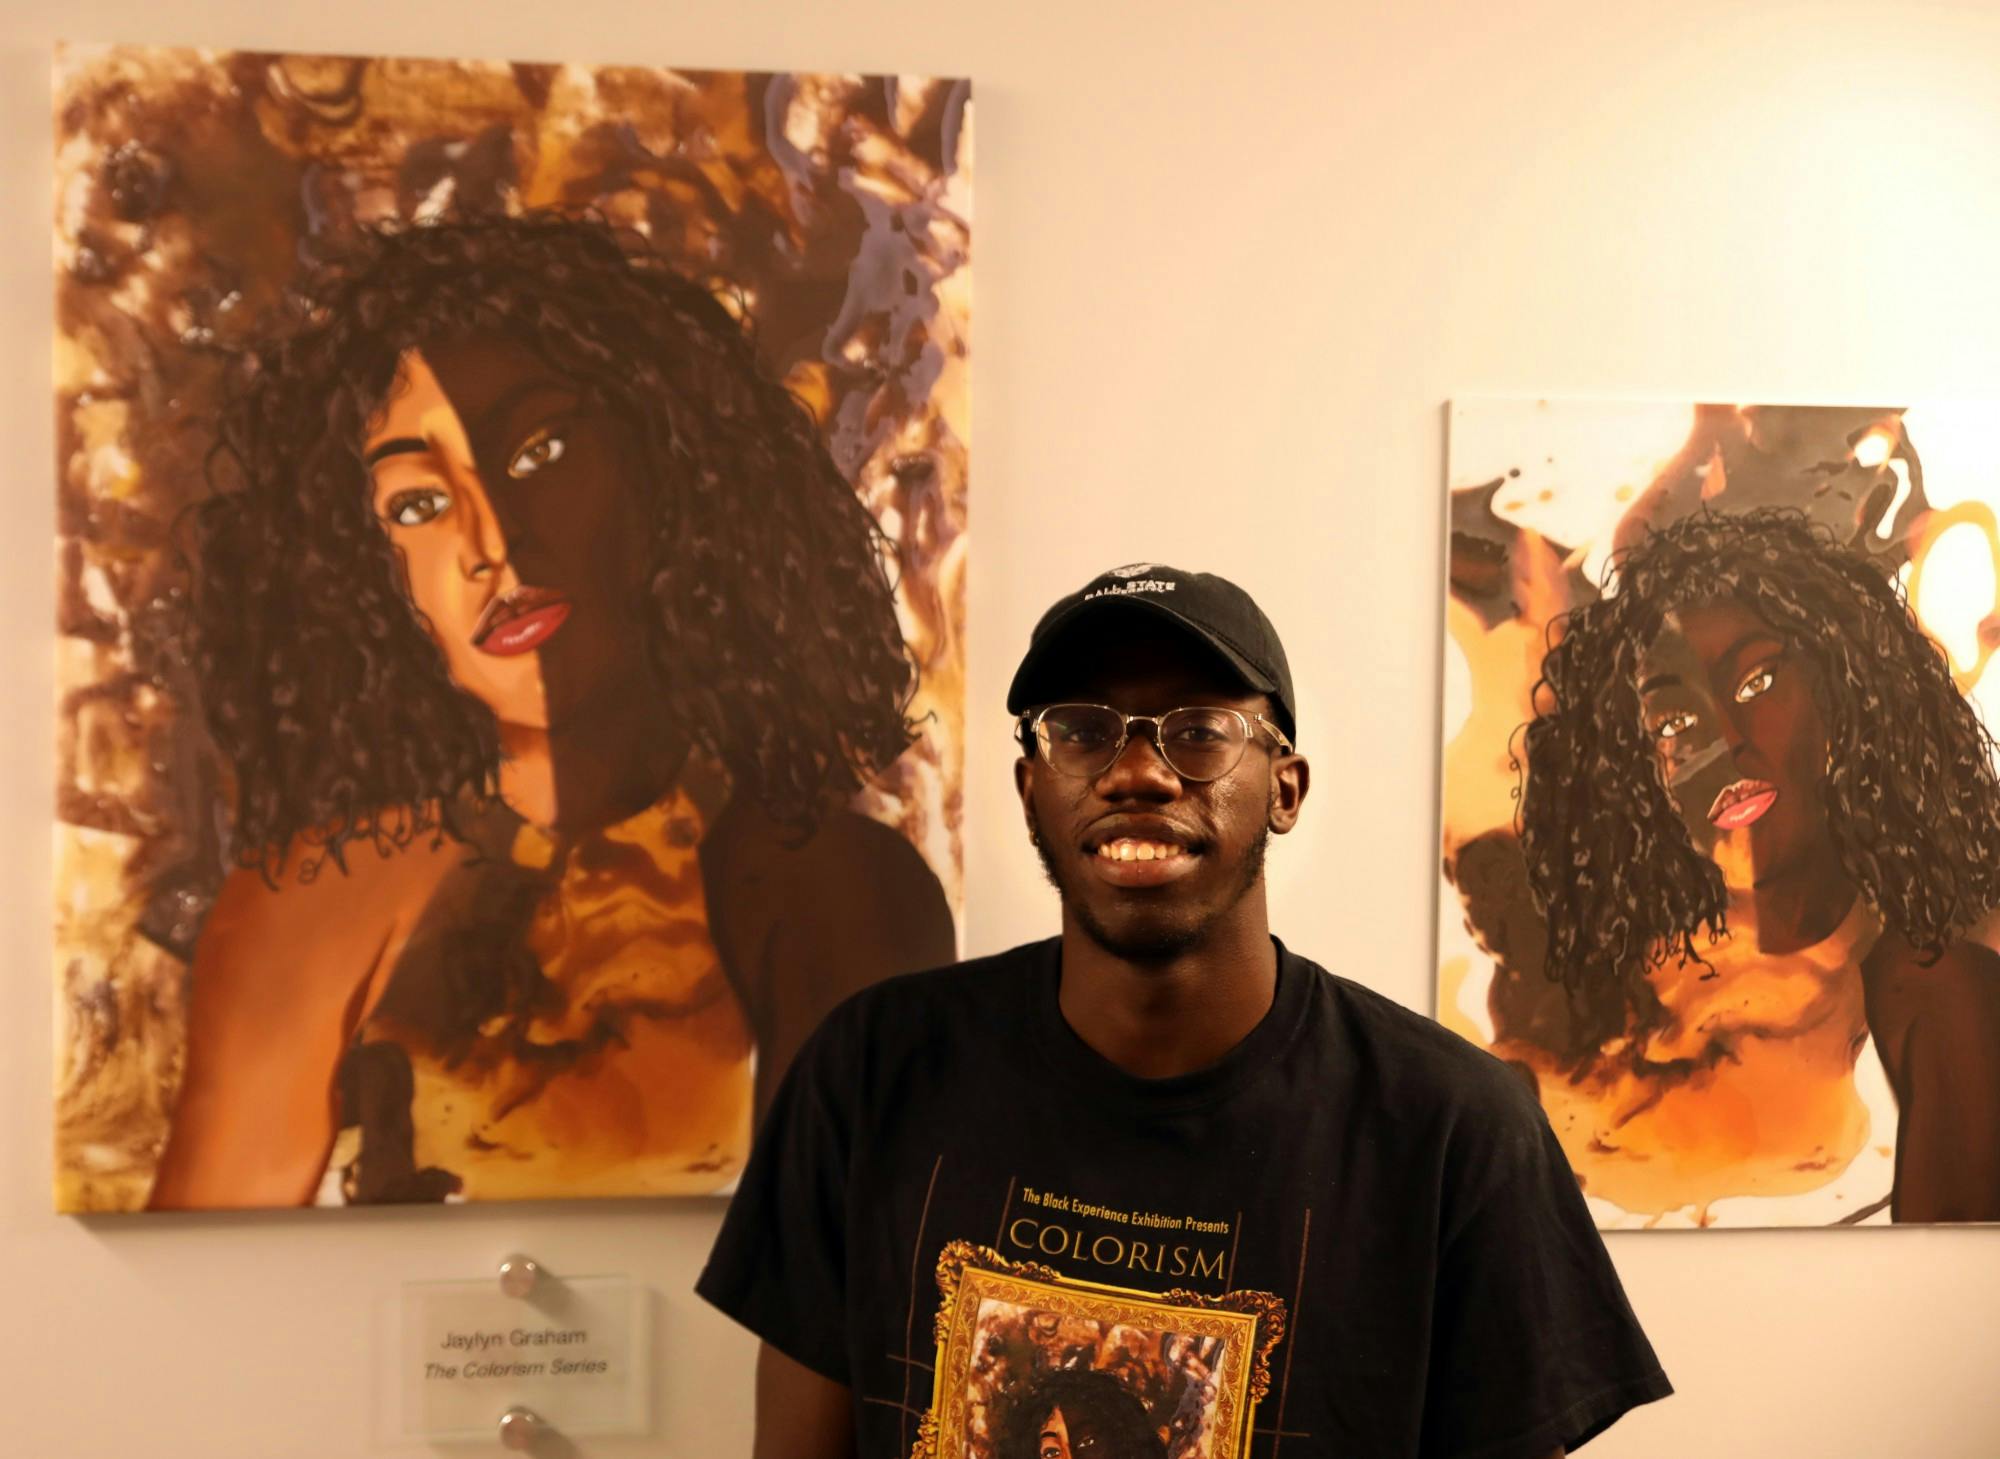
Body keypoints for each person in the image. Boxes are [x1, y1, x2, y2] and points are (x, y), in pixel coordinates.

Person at [699, 564, 1670, 1456]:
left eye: (1199, 731)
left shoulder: (1452, 1128)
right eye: (1080, 731)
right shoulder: (870, 1072)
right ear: (1029, 786)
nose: (1135, 771)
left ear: (1284, 788)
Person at [148, 213, 954, 1209]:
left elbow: (848, 1291)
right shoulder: (308, 906)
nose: (493, 539)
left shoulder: (836, 886)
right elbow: (208, 1298)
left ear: (663, 462)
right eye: (415, 504)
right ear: (362, 575)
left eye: (539, 451)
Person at [1519, 508, 2000, 1222]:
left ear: (1842, 693)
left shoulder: (1930, 989)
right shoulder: (1614, 995)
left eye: (1756, 684)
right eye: (1676, 722)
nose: (1726, 742)